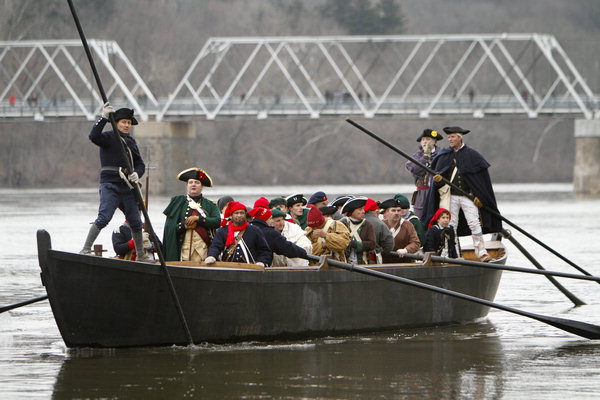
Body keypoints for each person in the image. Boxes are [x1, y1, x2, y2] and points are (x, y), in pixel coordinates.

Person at [79, 103, 150, 261]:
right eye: (123, 122)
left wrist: (137, 174)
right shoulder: (108, 137)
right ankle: (85, 249)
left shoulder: (131, 142)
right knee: (104, 218)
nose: (126, 125)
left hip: (127, 187)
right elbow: (93, 136)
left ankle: (141, 256)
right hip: (110, 185)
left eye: (129, 123)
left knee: (136, 222)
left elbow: (140, 164)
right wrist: (103, 118)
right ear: (116, 123)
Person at [424, 126, 502, 262]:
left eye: (453, 137)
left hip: (468, 196)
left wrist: (480, 198)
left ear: (460, 137)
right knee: (451, 224)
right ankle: (454, 254)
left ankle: (482, 253)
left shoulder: (473, 155)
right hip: (451, 196)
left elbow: (481, 182)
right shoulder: (444, 155)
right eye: (449, 137)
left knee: (474, 223)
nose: (450, 139)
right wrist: (437, 181)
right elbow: (439, 180)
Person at [162, 168, 221, 262]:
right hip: (183, 252)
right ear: (187, 186)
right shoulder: (178, 202)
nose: (193, 184)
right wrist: (185, 225)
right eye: (190, 182)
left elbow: (217, 221)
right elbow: (170, 228)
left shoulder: (210, 205)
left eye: (197, 182)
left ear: (202, 186)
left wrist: (198, 219)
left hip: (204, 251)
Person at [205, 201, 272, 266]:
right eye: (236, 213)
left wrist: (262, 261)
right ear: (231, 215)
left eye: (242, 213)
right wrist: (212, 256)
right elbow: (216, 247)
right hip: (228, 268)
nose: (239, 215)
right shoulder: (222, 231)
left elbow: (264, 250)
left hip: (250, 268)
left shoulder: (254, 230)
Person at [248, 197, 308, 265]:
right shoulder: (270, 233)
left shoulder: (247, 228)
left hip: (244, 265)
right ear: (265, 219)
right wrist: (303, 253)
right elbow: (287, 248)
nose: (271, 221)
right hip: (260, 267)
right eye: (270, 218)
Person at [405, 129, 442, 220]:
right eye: (423, 139)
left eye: (428, 139)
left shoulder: (442, 154)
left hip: (438, 192)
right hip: (422, 193)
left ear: (434, 141)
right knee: (420, 219)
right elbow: (415, 169)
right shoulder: (416, 156)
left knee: (438, 218)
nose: (425, 141)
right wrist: (425, 156)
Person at [380, 198, 421, 263]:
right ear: (387, 212)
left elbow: (416, 243)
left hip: (404, 262)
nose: (396, 213)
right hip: (385, 263)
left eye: (398, 211)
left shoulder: (408, 225)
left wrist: (406, 250)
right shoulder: (381, 225)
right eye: (393, 210)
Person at [340, 197, 376, 265]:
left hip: (362, 262)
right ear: (352, 211)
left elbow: (372, 244)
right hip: (344, 262)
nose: (363, 211)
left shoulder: (368, 224)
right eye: (360, 209)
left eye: (363, 209)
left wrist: (356, 244)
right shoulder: (342, 223)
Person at [364, 198, 393, 264]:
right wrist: (379, 253)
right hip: (373, 261)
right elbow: (389, 244)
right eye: (376, 208)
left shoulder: (350, 220)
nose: (378, 211)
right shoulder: (380, 223)